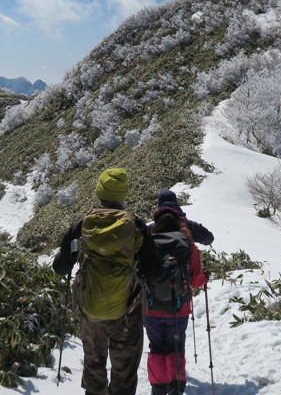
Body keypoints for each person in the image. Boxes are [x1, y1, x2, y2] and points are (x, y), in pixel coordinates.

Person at [52, 168, 160, 395]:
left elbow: (60, 268)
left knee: (94, 367)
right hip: (127, 314)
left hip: (91, 312)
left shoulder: (81, 226)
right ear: (124, 194)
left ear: (99, 191)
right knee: (124, 371)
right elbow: (153, 271)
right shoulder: (137, 227)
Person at [144, 208, 206, 395]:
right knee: (174, 346)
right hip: (178, 308)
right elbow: (195, 280)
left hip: (151, 308)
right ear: (179, 222)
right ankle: (176, 385)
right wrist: (205, 278)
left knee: (156, 347)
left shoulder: (148, 243)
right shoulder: (187, 242)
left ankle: (158, 387)